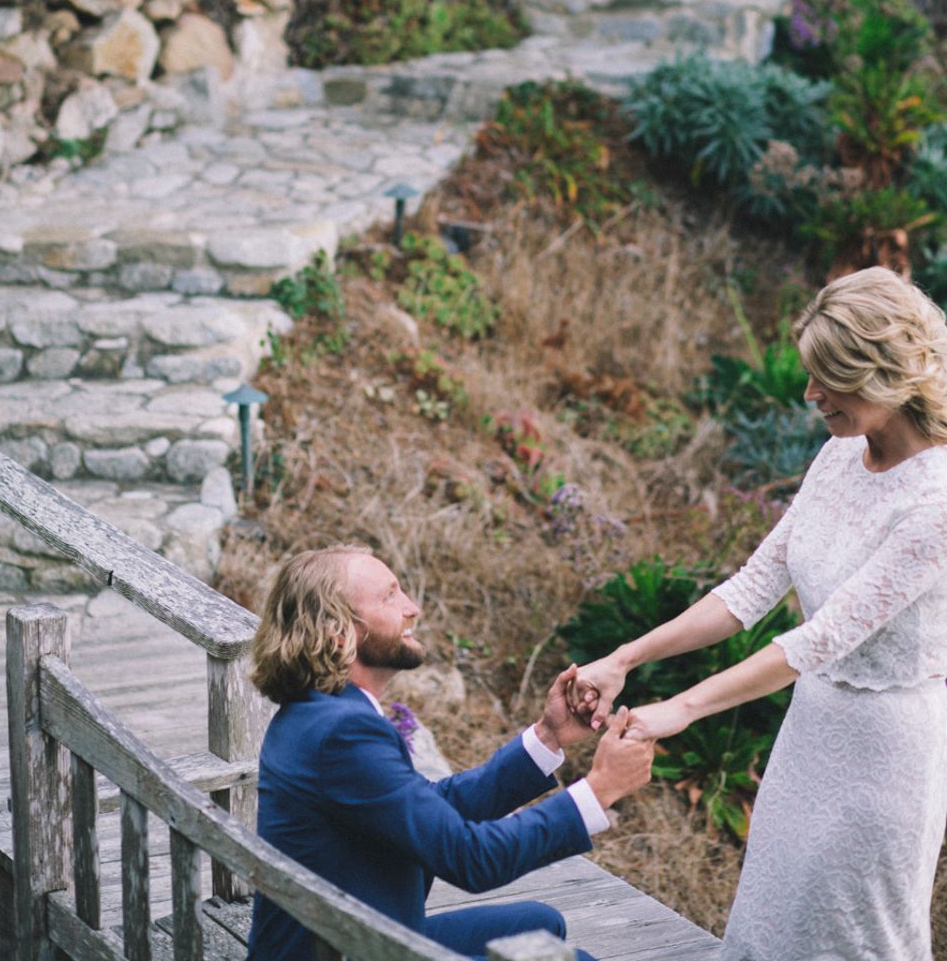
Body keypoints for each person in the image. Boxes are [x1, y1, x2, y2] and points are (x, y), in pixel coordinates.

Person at [569, 265, 947, 960]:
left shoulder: (936, 500)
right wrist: (624, 660)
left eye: (828, 378)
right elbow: (749, 589)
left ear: (884, 376)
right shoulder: (839, 455)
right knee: (771, 921)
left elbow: (820, 638)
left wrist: (681, 709)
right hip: (811, 731)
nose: (810, 394)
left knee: (852, 937)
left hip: (885, 757)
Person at [246, 544, 655, 961]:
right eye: (389, 596)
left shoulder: (319, 712)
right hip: (348, 948)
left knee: (541, 922)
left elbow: (431, 805)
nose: (412, 608)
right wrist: (599, 790)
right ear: (339, 633)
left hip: (348, 933)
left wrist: (548, 735)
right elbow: (471, 858)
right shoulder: (343, 734)